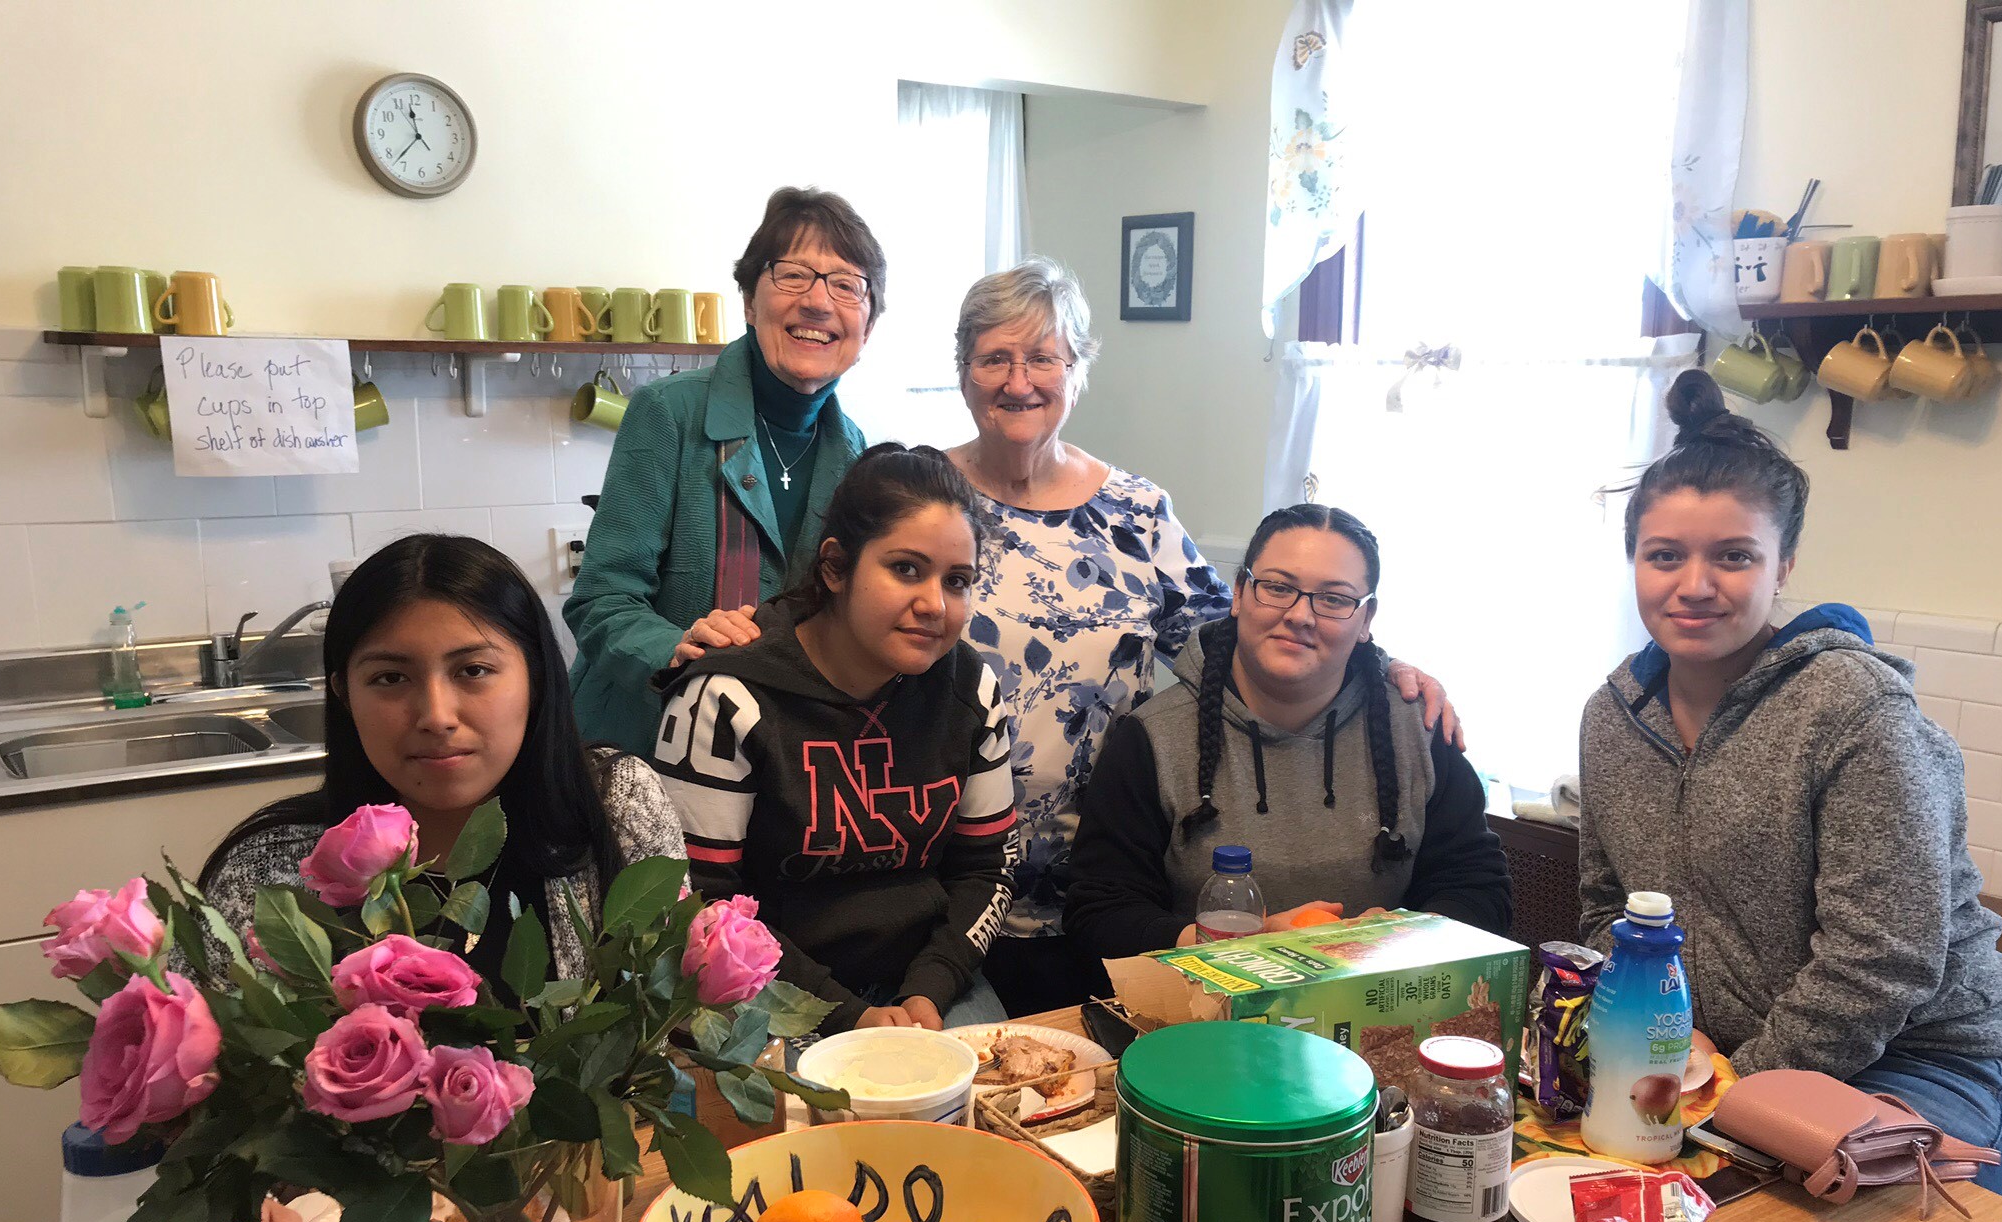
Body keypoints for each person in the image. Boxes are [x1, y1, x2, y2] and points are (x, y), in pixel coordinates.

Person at [676, 258, 1464, 1015]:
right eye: (994, 358)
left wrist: (1376, 661)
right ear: (962, 371)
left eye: (1043, 357)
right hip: (929, 882)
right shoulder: (924, 499)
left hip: (1099, 883)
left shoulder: (1136, 512)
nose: (1019, 381)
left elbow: (1249, 632)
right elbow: (822, 605)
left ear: (1077, 369)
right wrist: (733, 639)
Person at [1577, 370, 2002, 1222]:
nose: (1694, 584)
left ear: (1783, 570)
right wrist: (1629, 1042)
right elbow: (1594, 908)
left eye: (1731, 556)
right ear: (1630, 562)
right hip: (1709, 1061)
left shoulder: (1853, 712)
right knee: (1598, 1221)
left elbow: (1881, 960)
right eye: (1664, 556)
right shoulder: (1607, 718)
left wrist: (1716, 1095)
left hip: (1918, 1061)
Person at [199, 534, 686, 1222]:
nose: (435, 714)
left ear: (537, 675)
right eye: (390, 677)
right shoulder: (274, 876)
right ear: (341, 691)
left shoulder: (616, 813)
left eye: (474, 670)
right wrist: (228, 1220)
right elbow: (216, 1125)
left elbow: (658, 1051)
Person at [654, 444, 1014, 1032]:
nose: (934, 604)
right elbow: (702, 902)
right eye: (905, 569)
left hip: (927, 985)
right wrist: (847, 1016)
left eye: (958, 581)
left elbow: (989, 867)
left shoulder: (971, 690)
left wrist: (930, 990)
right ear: (835, 567)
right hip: (768, 996)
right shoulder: (725, 698)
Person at [1065, 504, 1510, 955]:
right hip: (1201, 1012)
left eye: (1334, 598)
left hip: (1380, 1006)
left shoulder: (1419, 730)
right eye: (1278, 587)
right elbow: (1100, 913)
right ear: (1239, 592)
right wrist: (1241, 946)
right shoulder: (1151, 739)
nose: (1300, 615)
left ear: (1366, 620)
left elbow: (1478, 890)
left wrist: (1398, 936)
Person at [566, 186, 883, 754]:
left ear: (868, 326)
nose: (818, 302)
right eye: (792, 275)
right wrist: (674, 643)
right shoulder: (668, 412)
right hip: (643, 748)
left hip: (776, 755)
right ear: (748, 299)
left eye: (846, 285)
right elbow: (600, 600)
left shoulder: (856, 453)